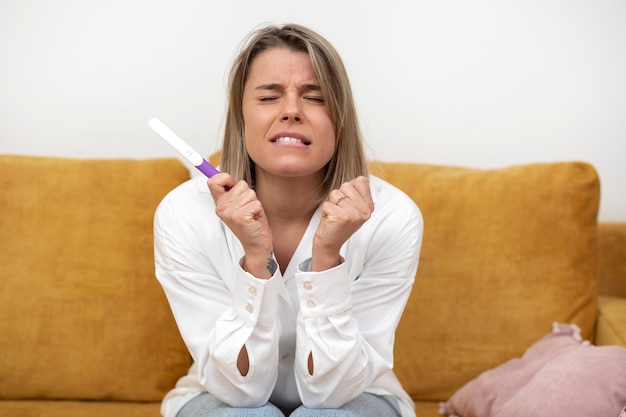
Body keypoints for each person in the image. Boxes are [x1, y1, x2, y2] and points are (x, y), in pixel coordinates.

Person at [154, 23, 423, 417]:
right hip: (222, 397)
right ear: (241, 114)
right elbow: (239, 391)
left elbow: (333, 393)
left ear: (340, 118)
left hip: (356, 396)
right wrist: (254, 263)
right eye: (268, 97)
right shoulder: (183, 213)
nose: (292, 111)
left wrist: (328, 258)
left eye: (315, 98)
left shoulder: (393, 218)